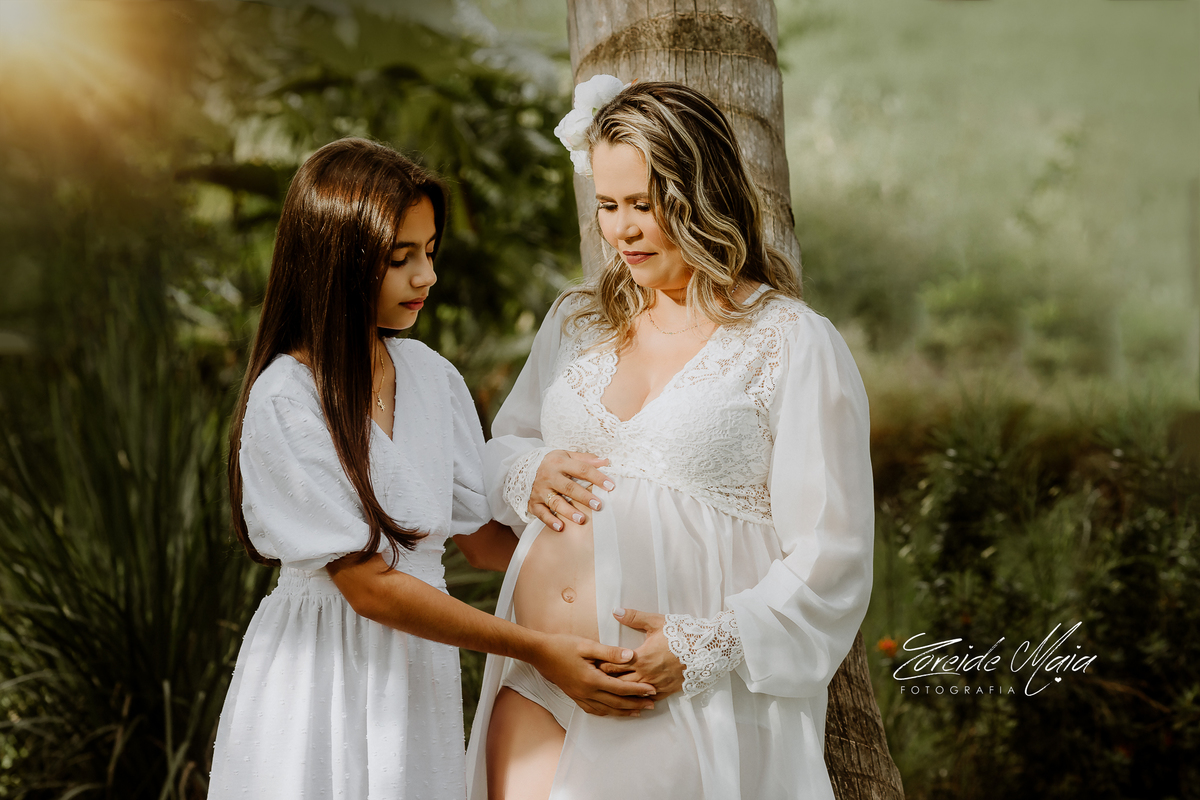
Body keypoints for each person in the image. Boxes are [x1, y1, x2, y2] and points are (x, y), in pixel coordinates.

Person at [207, 137, 655, 799]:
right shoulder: (287, 398)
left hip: (416, 675)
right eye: (400, 259)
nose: (427, 277)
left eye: (430, 252)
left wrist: (624, 560)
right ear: (336, 262)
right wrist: (537, 647)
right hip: (322, 678)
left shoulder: (431, 378)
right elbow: (370, 588)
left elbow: (483, 542)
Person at [466, 80, 875, 799]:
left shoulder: (789, 342)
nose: (621, 230)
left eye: (643, 205)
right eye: (607, 205)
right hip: (542, 675)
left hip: (685, 693)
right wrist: (527, 471)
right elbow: (500, 450)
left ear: (701, 196)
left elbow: (831, 552)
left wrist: (704, 647)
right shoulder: (576, 322)